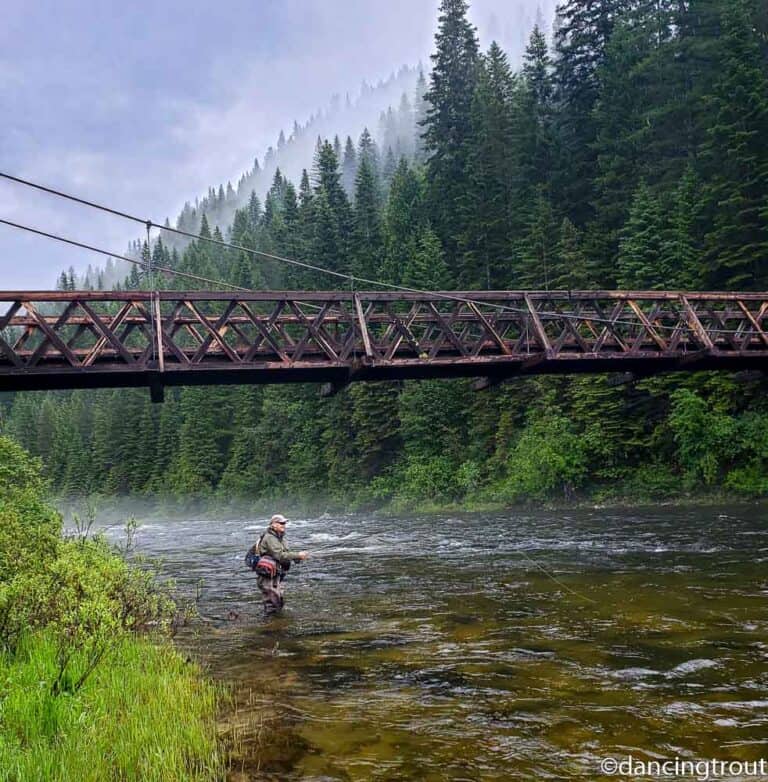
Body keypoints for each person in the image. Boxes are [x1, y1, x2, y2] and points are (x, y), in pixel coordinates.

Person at [254, 513, 308, 616]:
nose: (284, 525)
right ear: (273, 524)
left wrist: (298, 558)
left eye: (284, 523)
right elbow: (279, 555)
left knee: (278, 600)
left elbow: (286, 553)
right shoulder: (270, 538)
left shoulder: (280, 537)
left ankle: (275, 621)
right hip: (267, 575)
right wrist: (298, 555)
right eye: (281, 523)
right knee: (272, 602)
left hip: (276, 573)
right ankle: (270, 623)